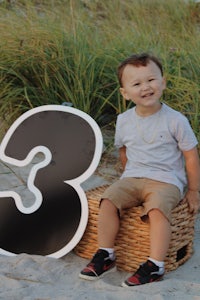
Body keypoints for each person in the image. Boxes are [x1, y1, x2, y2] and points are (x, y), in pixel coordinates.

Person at [79, 53, 200, 286]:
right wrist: (126, 178)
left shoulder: (175, 120)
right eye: (136, 84)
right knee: (108, 200)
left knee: (156, 210)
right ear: (125, 93)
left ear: (163, 82)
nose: (146, 87)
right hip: (133, 177)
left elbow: (191, 156)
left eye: (151, 80)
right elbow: (124, 150)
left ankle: (155, 265)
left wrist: (194, 190)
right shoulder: (124, 120)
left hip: (166, 181)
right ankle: (106, 254)